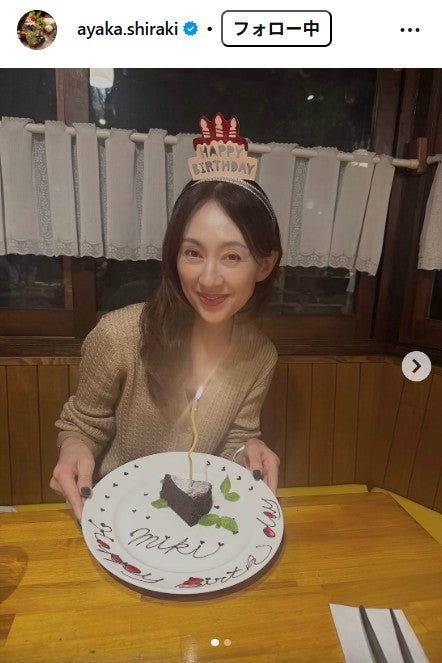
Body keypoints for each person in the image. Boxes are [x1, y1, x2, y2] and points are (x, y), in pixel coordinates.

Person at [50, 118, 282, 521]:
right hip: (117, 517)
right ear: (174, 256)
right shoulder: (118, 336)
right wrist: (73, 448)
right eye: (193, 253)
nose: (209, 278)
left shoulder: (259, 355)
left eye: (232, 256)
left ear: (264, 265)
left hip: (196, 525)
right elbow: (83, 426)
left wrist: (249, 450)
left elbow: (236, 439)